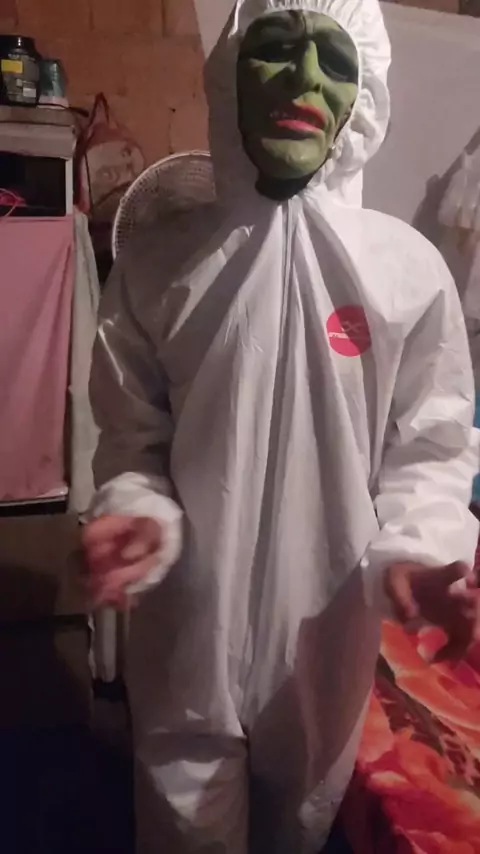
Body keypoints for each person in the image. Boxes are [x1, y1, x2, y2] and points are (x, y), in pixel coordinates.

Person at [83, 1, 480, 852]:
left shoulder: (406, 273)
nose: (303, 80)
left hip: (324, 636)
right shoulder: (159, 264)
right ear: (230, 69)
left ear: (363, 91)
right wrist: (136, 512)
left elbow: (430, 450)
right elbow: (132, 439)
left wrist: (420, 553)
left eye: (332, 60)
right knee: (183, 830)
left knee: (299, 827)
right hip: (186, 625)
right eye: (274, 48)